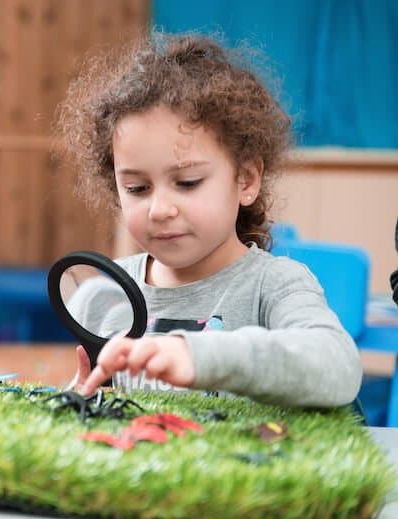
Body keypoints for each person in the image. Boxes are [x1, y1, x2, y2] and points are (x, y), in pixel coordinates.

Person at [55, 33, 361, 407]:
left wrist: (200, 356)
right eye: (137, 188)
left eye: (187, 182)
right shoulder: (105, 295)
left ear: (246, 179)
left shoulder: (274, 286)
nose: (160, 209)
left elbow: (338, 366)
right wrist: (82, 397)